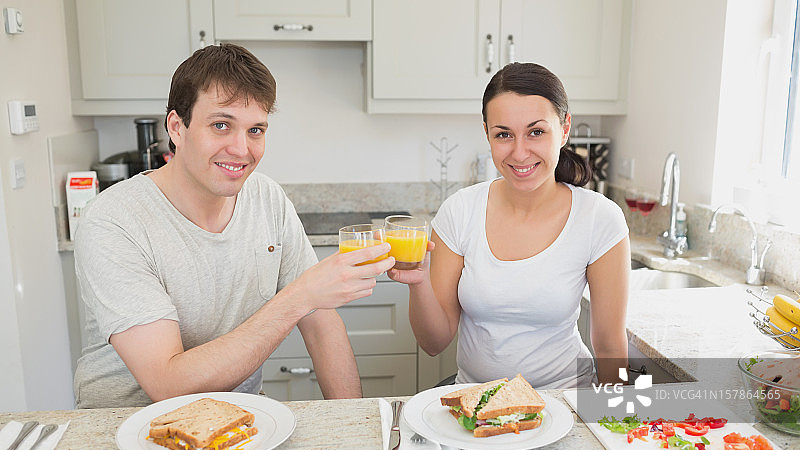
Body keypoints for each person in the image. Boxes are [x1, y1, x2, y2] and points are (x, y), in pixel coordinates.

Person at [73, 44, 394, 408]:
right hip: (124, 427)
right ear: (178, 127)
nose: (242, 149)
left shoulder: (267, 198)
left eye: (255, 129)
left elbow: (321, 323)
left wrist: (352, 422)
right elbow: (167, 384)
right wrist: (300, 296)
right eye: (221, 125)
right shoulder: (115, 220)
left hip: (239, 419)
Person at [388, 62, 629, 388]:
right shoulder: (459, 211)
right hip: (476, 405)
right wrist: (419, 283)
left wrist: (619, 424)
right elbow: (433, 344)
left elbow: (611, 347)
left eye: (536, 132)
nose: (519, 153)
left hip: (566, 400)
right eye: (503, 134)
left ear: (565, 128)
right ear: (487, 133)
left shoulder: (600, 218)